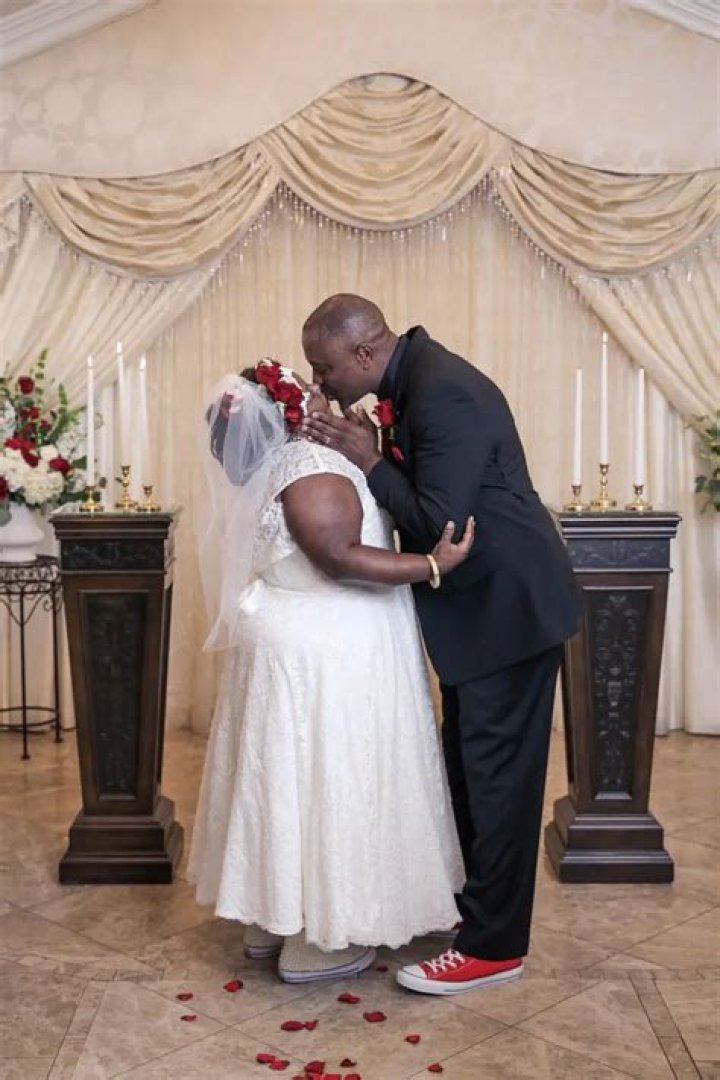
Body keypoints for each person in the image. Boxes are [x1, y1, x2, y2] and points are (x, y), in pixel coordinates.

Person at [302, 295, 580, 995]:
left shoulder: (443, 391)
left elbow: (440, 521)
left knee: (499, 785)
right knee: (469, 774)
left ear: (364, 353)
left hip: (507, 613)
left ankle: (494, 948)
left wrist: (369, 460)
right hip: (481, 614)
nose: (321, 382)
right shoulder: (416, 381)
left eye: (325, 367)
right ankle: (472, 915)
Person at [188, 359, 474, 985]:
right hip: (330, 648)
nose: (320, 390)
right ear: (290, 407)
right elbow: (340, 556)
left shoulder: (279, 465)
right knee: (332, 776)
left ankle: (272, 919)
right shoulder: (311, 465)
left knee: (291, 779)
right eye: (308, 383)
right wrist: (432, 565)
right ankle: (322, 938)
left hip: (295, 636)